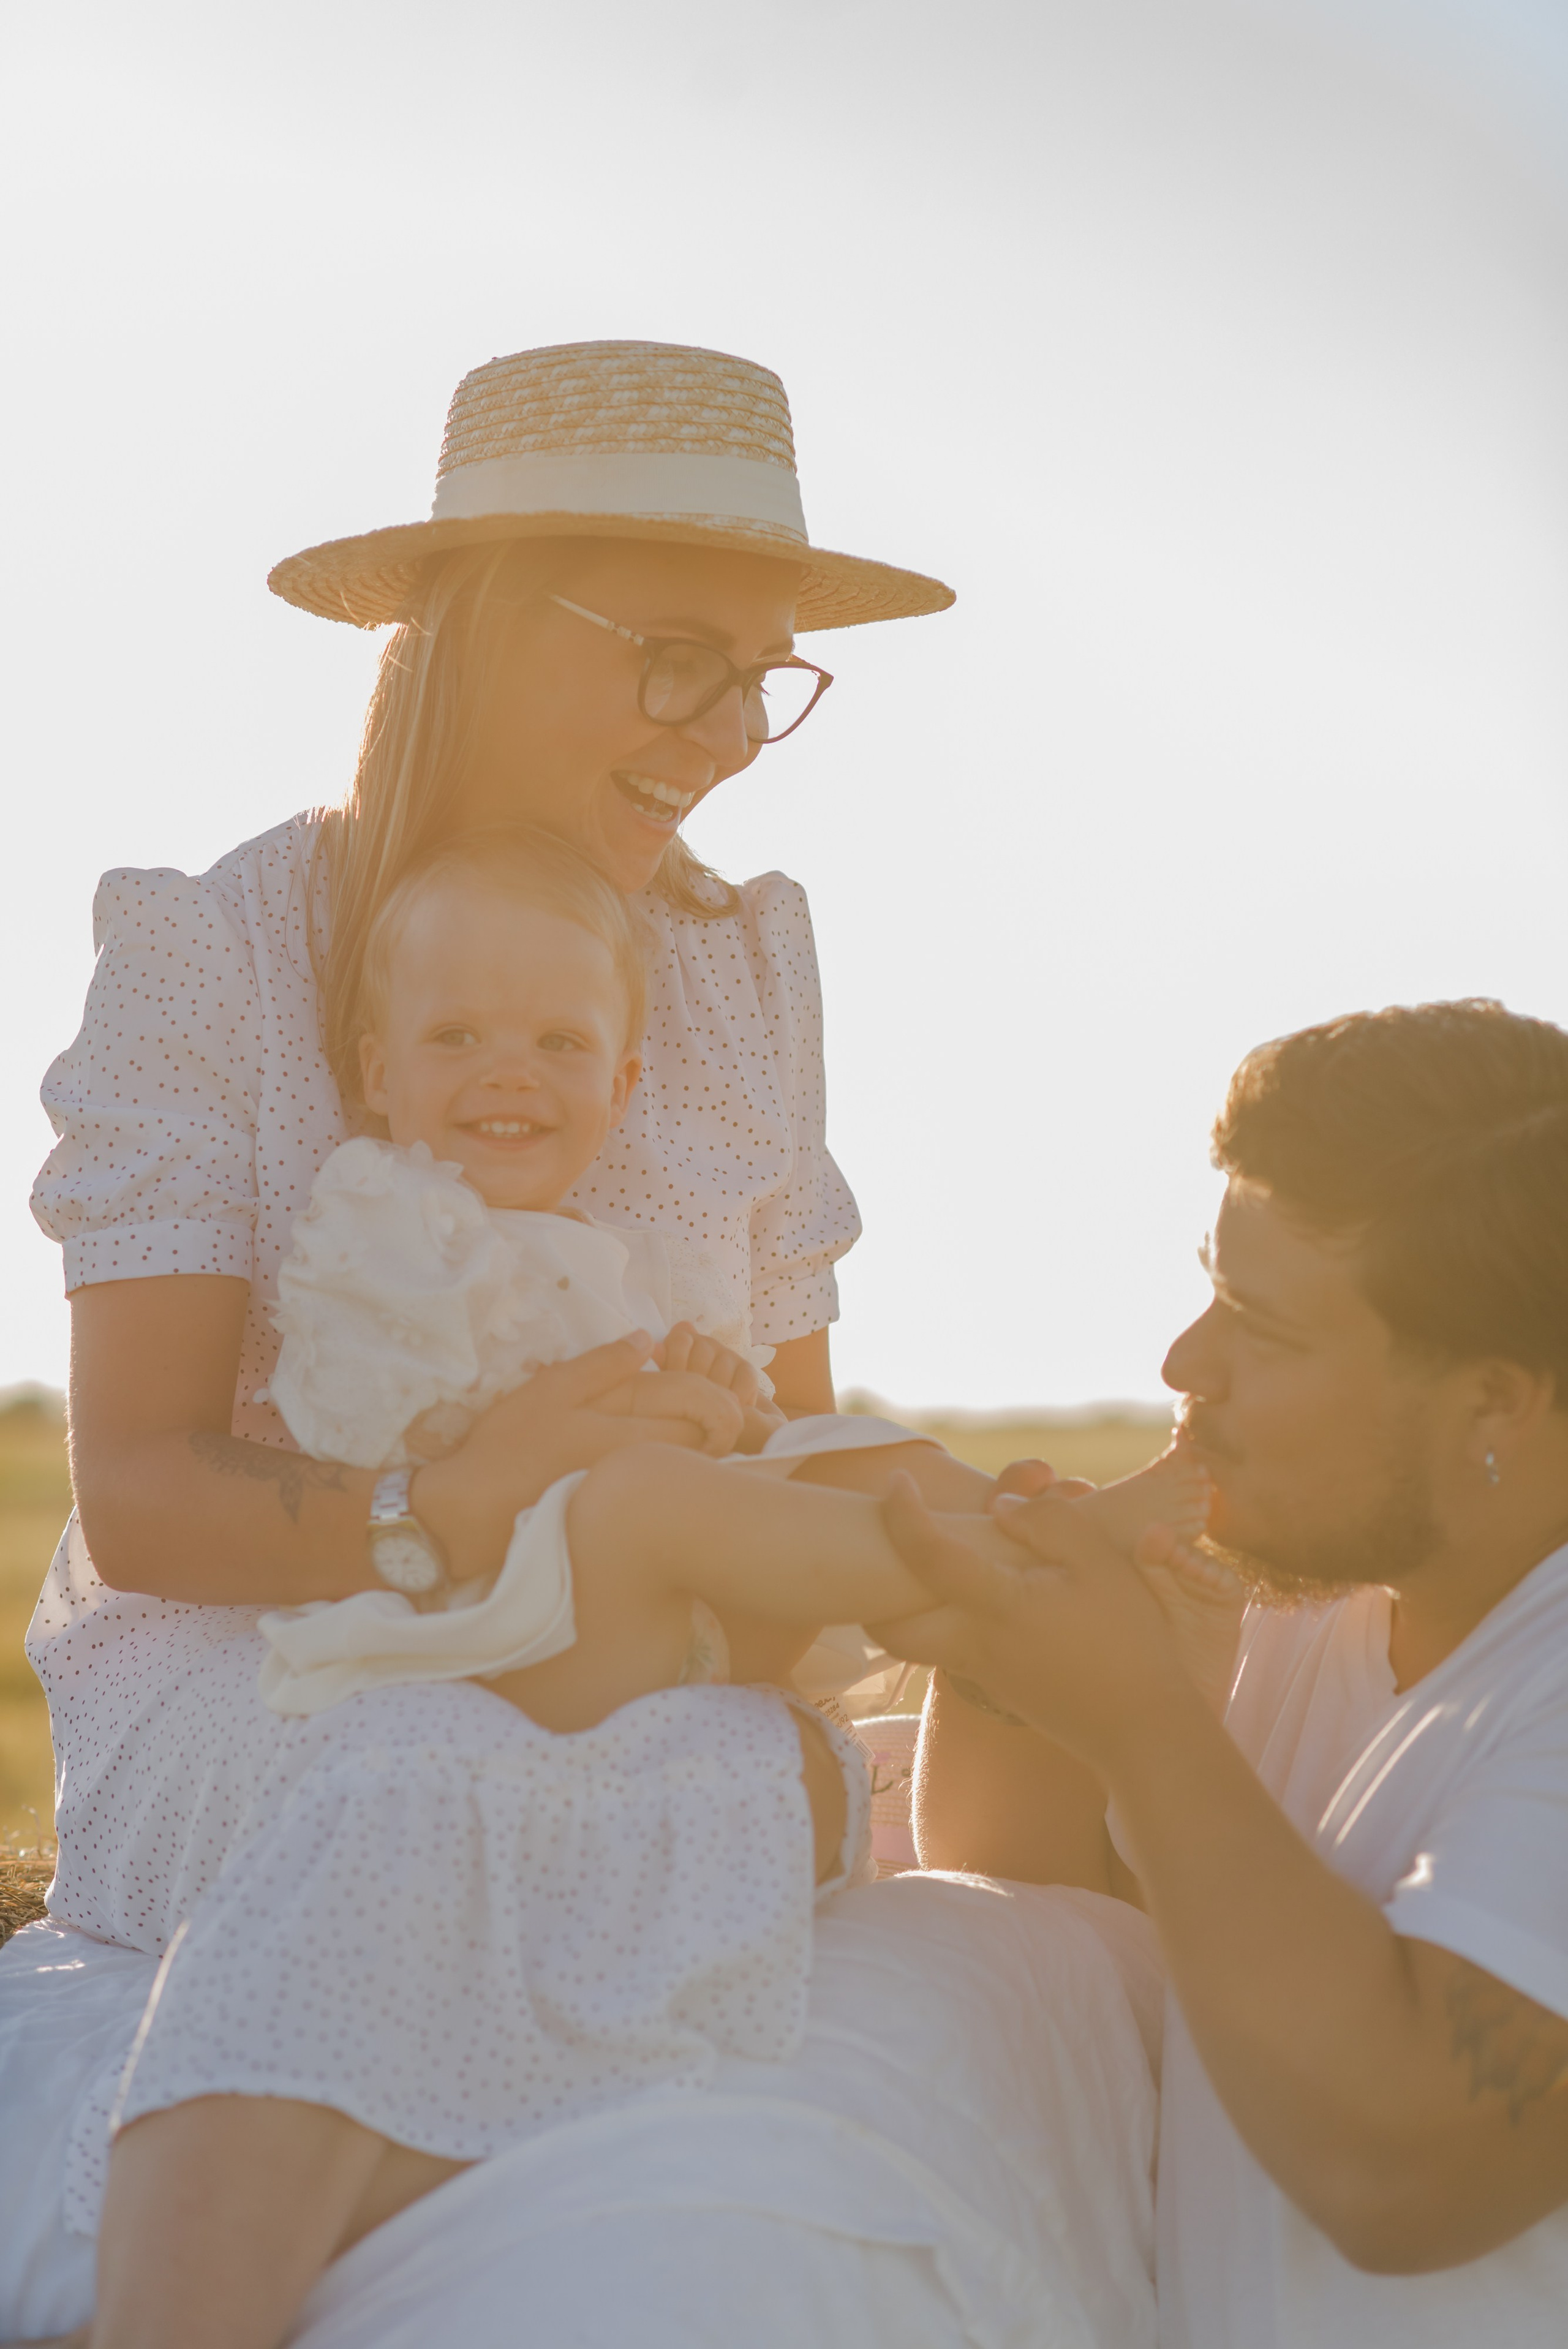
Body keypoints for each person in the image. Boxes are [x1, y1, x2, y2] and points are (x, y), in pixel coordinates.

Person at [0, 339, 1161, 2347]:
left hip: (643, 1671)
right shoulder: (218, 948)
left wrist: (814, 1522)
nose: (732, 733)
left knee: (764, 1762)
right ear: (478, 619)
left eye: (767, 675)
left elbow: (788, 1451)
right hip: (281, 1681)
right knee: (419, 1765)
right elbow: (156, 1495)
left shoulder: (740, 966)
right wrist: (462, 1495)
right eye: (677, 659)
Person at [86, 821, 1208, 2349]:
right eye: (457, 1036)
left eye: (558, 1041)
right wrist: (535, 1441)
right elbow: (367, 1431)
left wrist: (711, 1404)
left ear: (621, 1088)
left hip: (598, 1616)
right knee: (646, 1500)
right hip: (445, 1627)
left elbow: (684, 1422)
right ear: (375, 1072)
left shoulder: (600, 1261)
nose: (508, 1071)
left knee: (816, 1444)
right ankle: (990, 1570)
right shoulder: (380, 1228)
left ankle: (991, 1528)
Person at [892, 998, 1568, 2347]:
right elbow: (1030, 1902)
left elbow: (1410, 2169)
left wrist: (1143, 1727)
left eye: (1259, 1324)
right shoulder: (1307, 1609)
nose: (1181, 1364)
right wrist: (1027, 1619)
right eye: (1207, 1286)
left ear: (1492, 1400)